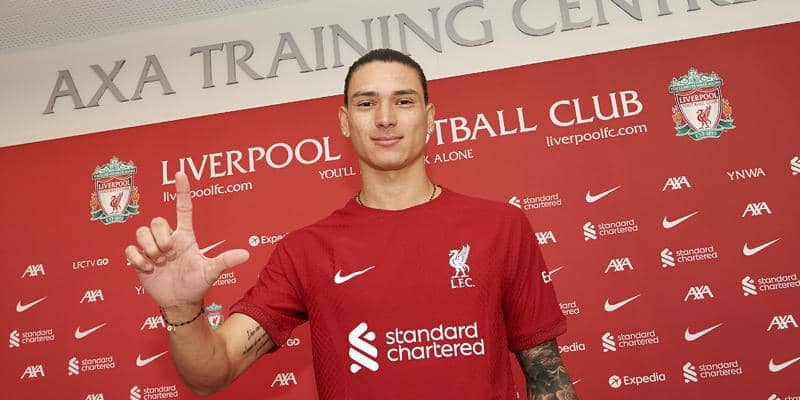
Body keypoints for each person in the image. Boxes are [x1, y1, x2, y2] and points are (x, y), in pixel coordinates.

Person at [126, 48, 578, 400]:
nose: (385, 118)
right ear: (345, 122)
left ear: (429, 117)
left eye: (404, 101)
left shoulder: (501, 225)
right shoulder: (306, 250)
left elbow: (546, 374)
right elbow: (212, 372)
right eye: (366, 103)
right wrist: (181, 308)